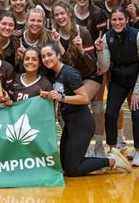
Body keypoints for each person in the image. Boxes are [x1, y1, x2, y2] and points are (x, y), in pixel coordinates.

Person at [39, 43, 132, 176]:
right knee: (65, 165)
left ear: (58, 55)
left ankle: (111, 161)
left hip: (82, 125)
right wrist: (48, 95)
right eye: (43, 56)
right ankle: (104, 160)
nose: (46, 59)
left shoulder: (69, 73)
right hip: (70, 125)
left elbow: (84, 98)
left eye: (49, 55)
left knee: (72, 170)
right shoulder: (54, 75)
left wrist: (62, 97)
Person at [94, 7, 139, 167]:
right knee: (110, 113)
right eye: (114, 20)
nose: (117, 22)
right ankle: (113, 150)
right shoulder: (106, 37)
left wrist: (137, 92)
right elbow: (104, 67)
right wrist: (99, 51)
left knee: (137, 113)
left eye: (120, 19)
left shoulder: (138, 35)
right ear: (110, 21)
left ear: (126, 20)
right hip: (118, 80)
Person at [95, 0, 139, 152]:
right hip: (104, 58)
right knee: (106, 102)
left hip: (124, 61)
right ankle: (104, 141)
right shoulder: (97, 7)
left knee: (127, 102)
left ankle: (122, 139)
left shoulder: (129, 8)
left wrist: (135, 17)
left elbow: (138, 31)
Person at [72, 0, 108, 158]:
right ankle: (82, 146)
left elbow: (104, 40)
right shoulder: (69, 13)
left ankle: (99, 146)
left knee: (98, 107)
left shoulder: (97, 13)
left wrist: (101, 63)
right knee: (78, 108)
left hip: (94, 67)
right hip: (75, 67)